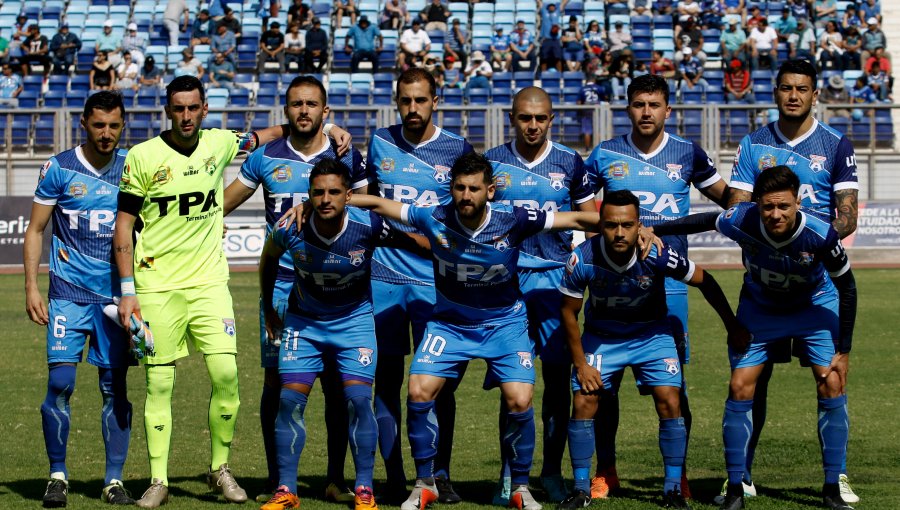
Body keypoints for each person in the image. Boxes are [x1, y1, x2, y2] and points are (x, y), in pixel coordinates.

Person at [340, 151, 612, 510]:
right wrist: (326, 203)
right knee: (419, 390)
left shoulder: (514, 218)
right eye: (459, 188)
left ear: (491, 190)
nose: (466, 195)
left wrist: (624, 224)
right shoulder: (433, 215)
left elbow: (576, 216)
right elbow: (377, 202)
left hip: (505, 324)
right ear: (451, 188)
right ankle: (425, 483)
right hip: (450, 325)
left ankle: (519, 487)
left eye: (473, 188)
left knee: (520, 399)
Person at [111, 75, 294, 509]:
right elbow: (123, 226)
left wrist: (328, 129)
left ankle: (219, 469)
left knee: (227, 375)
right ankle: (158, 480)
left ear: (204, 108)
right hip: (156, 286)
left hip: (211, 282)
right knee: (159, 383)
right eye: (179, 108)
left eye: (194, 108)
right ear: (167, 110)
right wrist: (127, 291)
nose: (187, 116)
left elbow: (270, 132)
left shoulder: (220, 143)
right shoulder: (142, 157)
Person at [654, 166, 857, 510]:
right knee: (739, 386)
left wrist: (845, 350)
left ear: (797, 203)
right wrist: (652, 229)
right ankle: (736, 487)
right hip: (761, 306)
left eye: (784, 206)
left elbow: (848, 289)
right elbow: (701, 222)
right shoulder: (740, 219)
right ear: (757, 205)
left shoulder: (821, 235)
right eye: (767, 207)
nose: (775, 214)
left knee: (831, 382)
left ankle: (832, 487)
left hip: (813, 306)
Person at [719, 58, 859, 506]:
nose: (793, 95)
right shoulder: (754, 143)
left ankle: (836, 479)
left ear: (815, 94)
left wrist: (812, 237)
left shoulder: (835, 144)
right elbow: (739, 206)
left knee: (831, 380)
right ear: (775, 93)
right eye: (785, 88)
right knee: (748, 383)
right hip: (762, 287)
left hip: (813, 286)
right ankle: (739, 477)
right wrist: (768, 237)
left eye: (802, 88)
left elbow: (849, 210)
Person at [222, 75, 366, 505]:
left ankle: (335, 478)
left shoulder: (345, 153)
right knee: (277, 383)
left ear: (326, 110)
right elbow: (221, 205)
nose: (304, 110)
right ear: (286, 111)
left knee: (340, 385)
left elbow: (364, 208)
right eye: (295, 104)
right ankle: (276, 477)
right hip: (282, 286)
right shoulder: (266, 157)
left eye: (312, 104)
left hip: (337, 286)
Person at [584, 73, 730, 501]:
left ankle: (677, 475)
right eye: (638, 104)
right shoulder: (605, 154)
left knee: (672, 389)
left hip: (669, 287)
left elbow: (729, 199)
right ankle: (604, 471)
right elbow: (582, 209)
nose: (646, 112)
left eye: (654, 105)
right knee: (602, 388)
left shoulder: (688, 153)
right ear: (627, 108)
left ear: (668, 109)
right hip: (610, 283)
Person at [558, 189, 744, 510]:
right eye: (612, 225)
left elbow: (705, 280)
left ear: (639, 225)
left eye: (627, 225)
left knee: (671, 399)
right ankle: (580, 488)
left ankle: (673, 487)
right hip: (604, 336)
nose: (619, 233)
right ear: (600, 225)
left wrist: (732, 325)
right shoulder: (583, 258)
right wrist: (580, 365)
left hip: (652, 335)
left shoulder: (657, 253)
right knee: (584, 399)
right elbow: (567, 312)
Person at [257, 157, 424, 510]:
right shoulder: (290, 228)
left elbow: (414, 243)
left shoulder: (369, 226)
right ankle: (286, 491)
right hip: (305, 324)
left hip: (354, 323)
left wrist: (446, 246)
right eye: (318, 193)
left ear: (348, 196)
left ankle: (364, 489)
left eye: (335, 192)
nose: (326, 199)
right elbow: (268, 259)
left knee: (359, 402)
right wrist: (270, 309)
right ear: (309, 195)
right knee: (289, 401)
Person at [364, 68, 473, 504]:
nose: (413, 109)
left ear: (435, 99)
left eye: (421, 100)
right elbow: (363, 198)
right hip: (383, 280)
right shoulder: (379, 141)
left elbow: (463, 220)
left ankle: (438, 475)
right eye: (405, 101)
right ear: (396, 100)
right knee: (386, 381)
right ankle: (393, 475)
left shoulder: (456, 149)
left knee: (437, 383)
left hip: (435, 283)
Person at [485, 87, 598, 505]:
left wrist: (583, 268)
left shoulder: (570, 162)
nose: (533, 125)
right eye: (524, 118)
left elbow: (591, 218)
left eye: (541, 118)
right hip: (506, 286)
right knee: (512, 385)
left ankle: (551, 471)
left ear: (551, 120)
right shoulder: (492, 163)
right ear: (512, 118)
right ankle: (509, 474)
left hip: (555, 284)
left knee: (554, 384)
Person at [24, 91, 136, 509]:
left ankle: (113, 480)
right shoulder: (58, 168)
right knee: (60, 383)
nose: (105, 133)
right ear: (84, 124)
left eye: (113, 125)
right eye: (98, 125)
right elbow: (36, 230)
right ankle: (57, 475)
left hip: (113, 299)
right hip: (68, 295)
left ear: (122, 125)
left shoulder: (132, 170)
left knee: (114, 386)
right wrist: (32, 287)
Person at [578, 69, 609, 148]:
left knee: (587, 130)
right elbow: (605, 98)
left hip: (586, 109)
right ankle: (599, 148)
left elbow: (579, 102)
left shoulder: (582, 88)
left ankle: (587, 148)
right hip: (597, 109)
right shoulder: (599, 87)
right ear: (594, 79)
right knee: (598, 128)